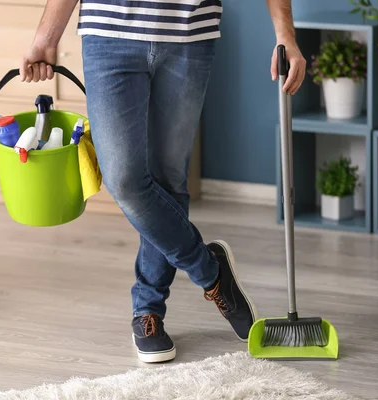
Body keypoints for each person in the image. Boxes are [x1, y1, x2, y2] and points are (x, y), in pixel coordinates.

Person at [20, 0, 306, 363]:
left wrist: (286, 35)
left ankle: (148, 311)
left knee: (169, 181)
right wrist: (47, 35)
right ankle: (210, 271)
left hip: (189, 34)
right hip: (110, 33)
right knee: (124, 179)